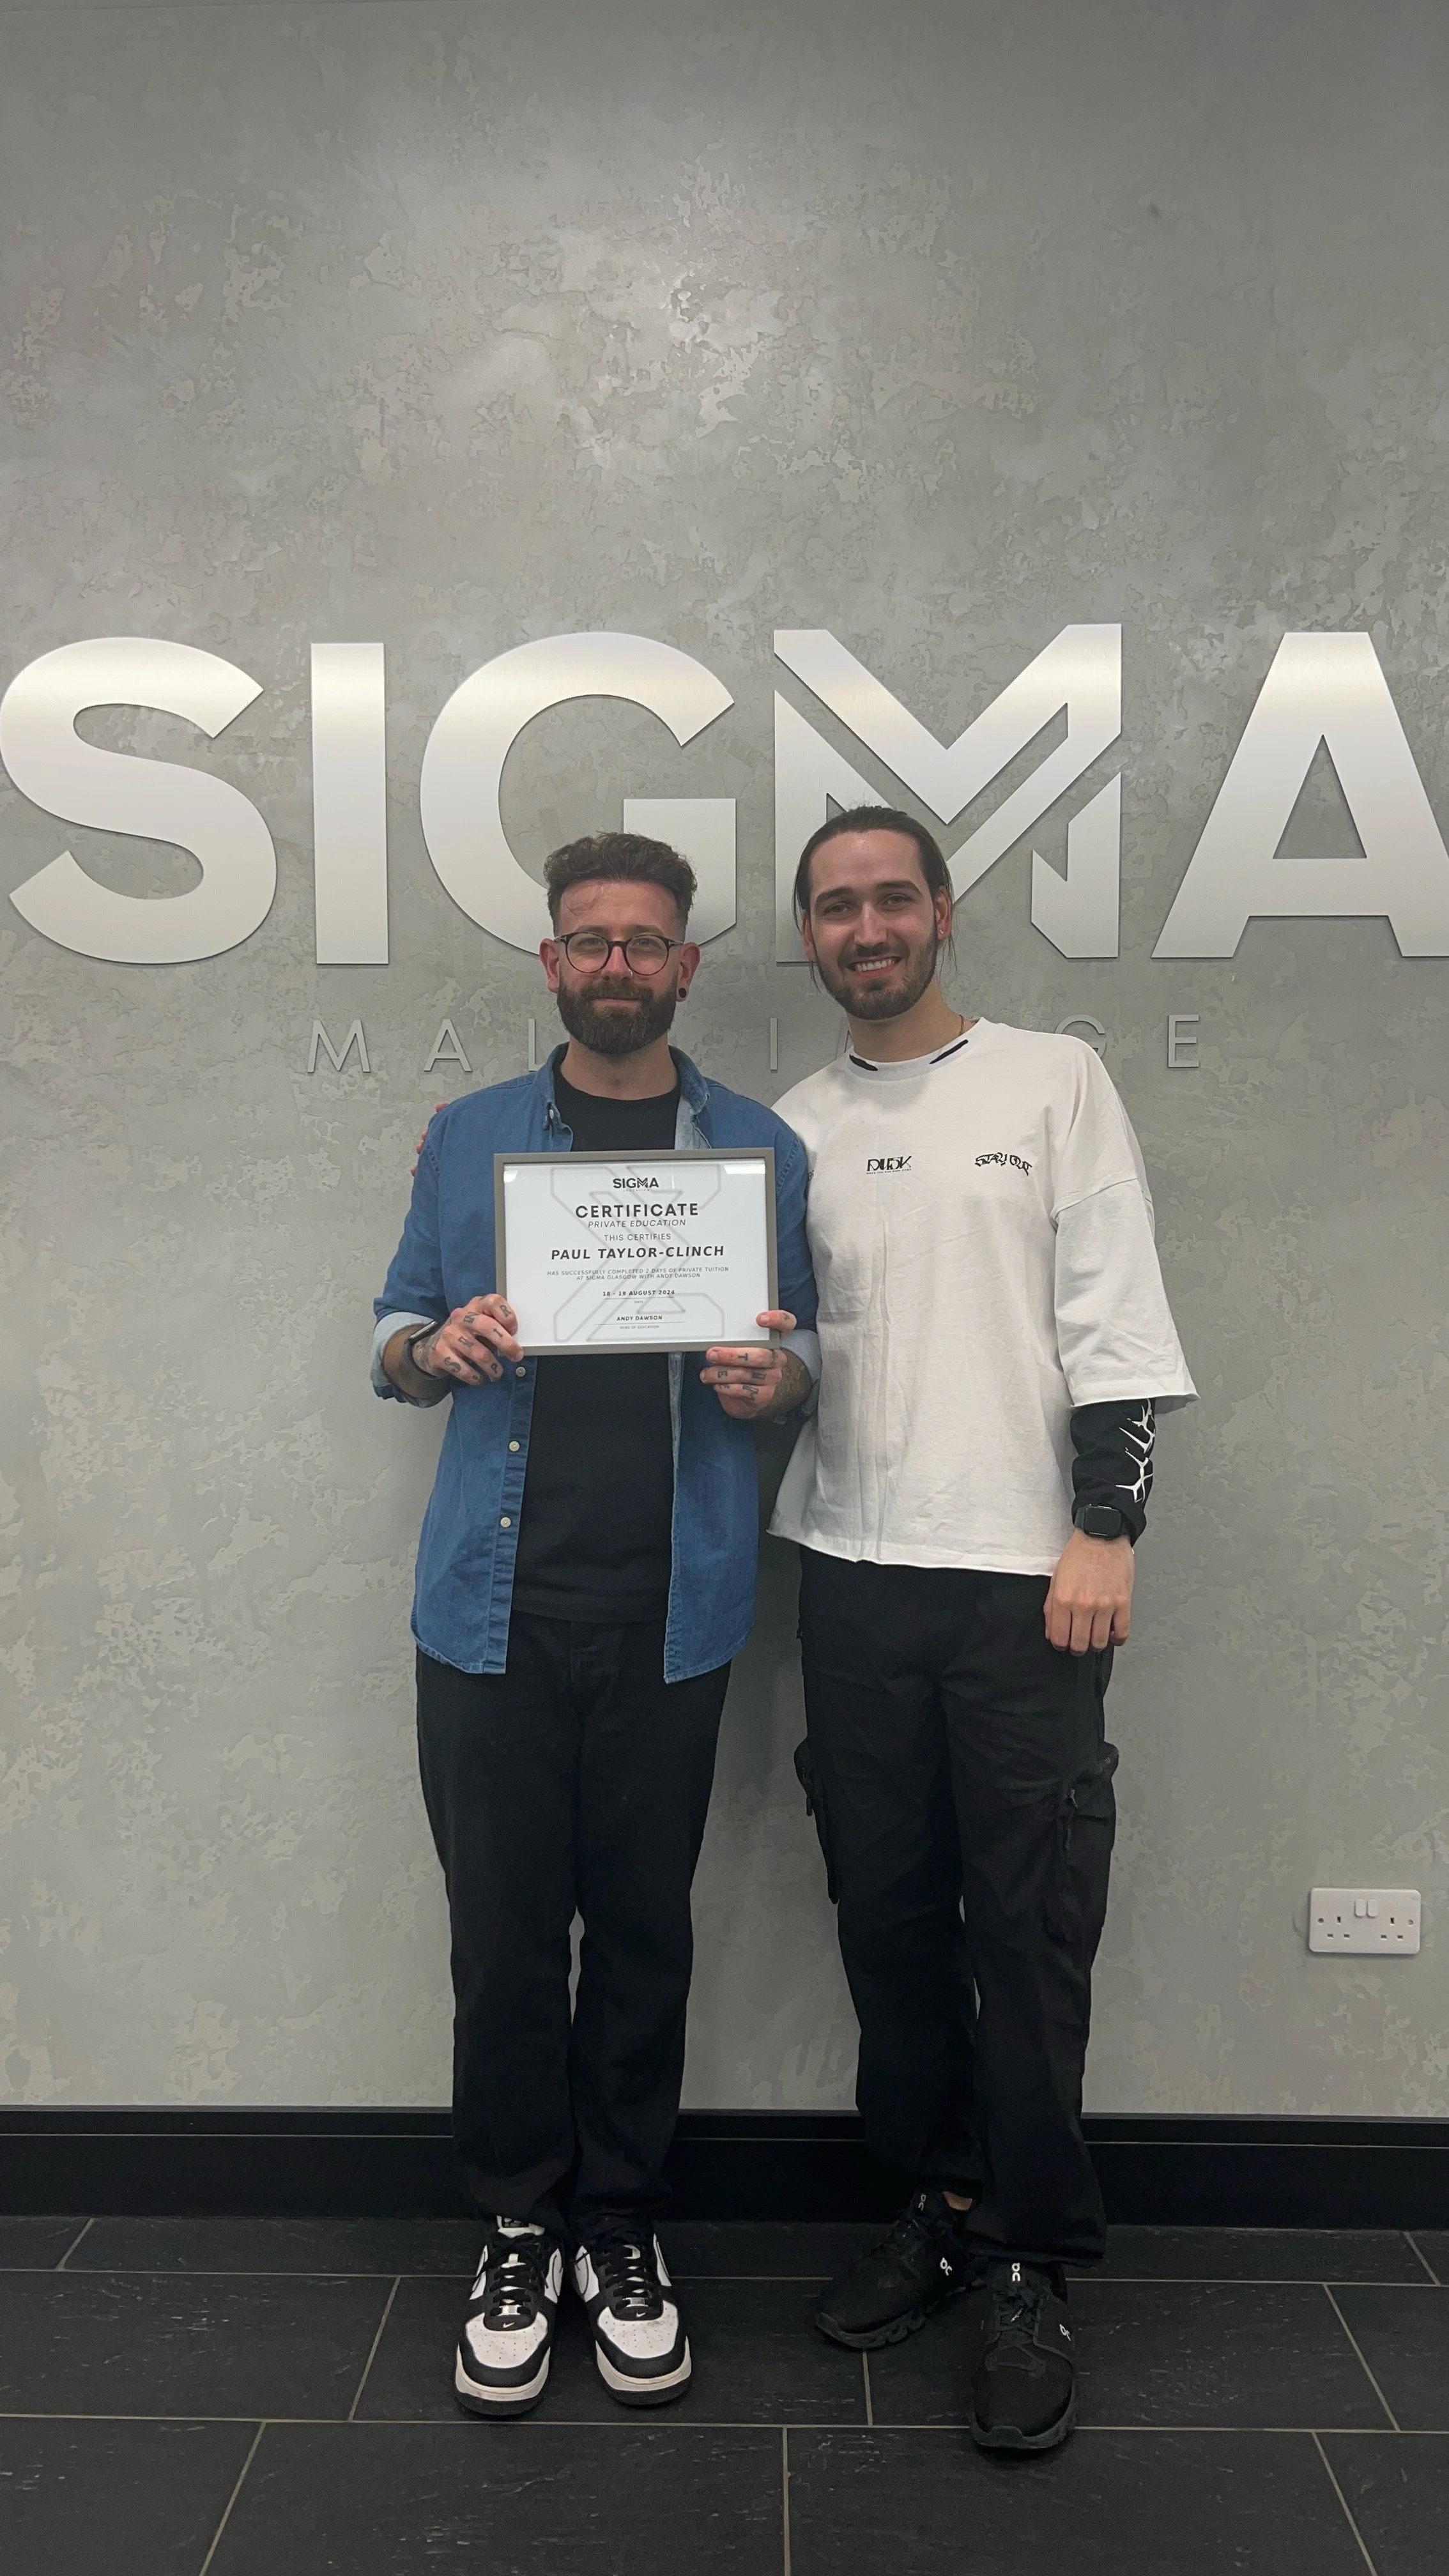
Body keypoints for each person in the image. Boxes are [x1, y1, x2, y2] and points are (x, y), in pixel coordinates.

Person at [372, 831, 817, 2419]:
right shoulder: (467, 1137)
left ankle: (619, 2225)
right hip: (486, 1615)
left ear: (684, 965)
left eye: (644, 941)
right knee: (501, 1944)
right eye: (589, 940)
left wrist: (781, 1379)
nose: (616, 964)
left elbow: (807, 1351)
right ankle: (517, 2225)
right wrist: (436, 1348)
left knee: (641, 1935)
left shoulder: (760, 1149)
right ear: (551, 961)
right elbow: (392, 1329)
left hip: (672, 1613)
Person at [770, 806, 1195, 2454]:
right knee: (887, 1919)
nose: (867, 928)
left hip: (1032, 1582)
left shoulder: (1052, 1080)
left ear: (941, 912)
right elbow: (783, 1351)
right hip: (850, 1570)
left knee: (1027, 1926)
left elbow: (1117, 1314)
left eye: (893, 899)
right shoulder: (791, 1127)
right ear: (810, 936)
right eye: (837, 908)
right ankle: (942, 2203)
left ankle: (1029, 2255)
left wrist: (1107, 1525)